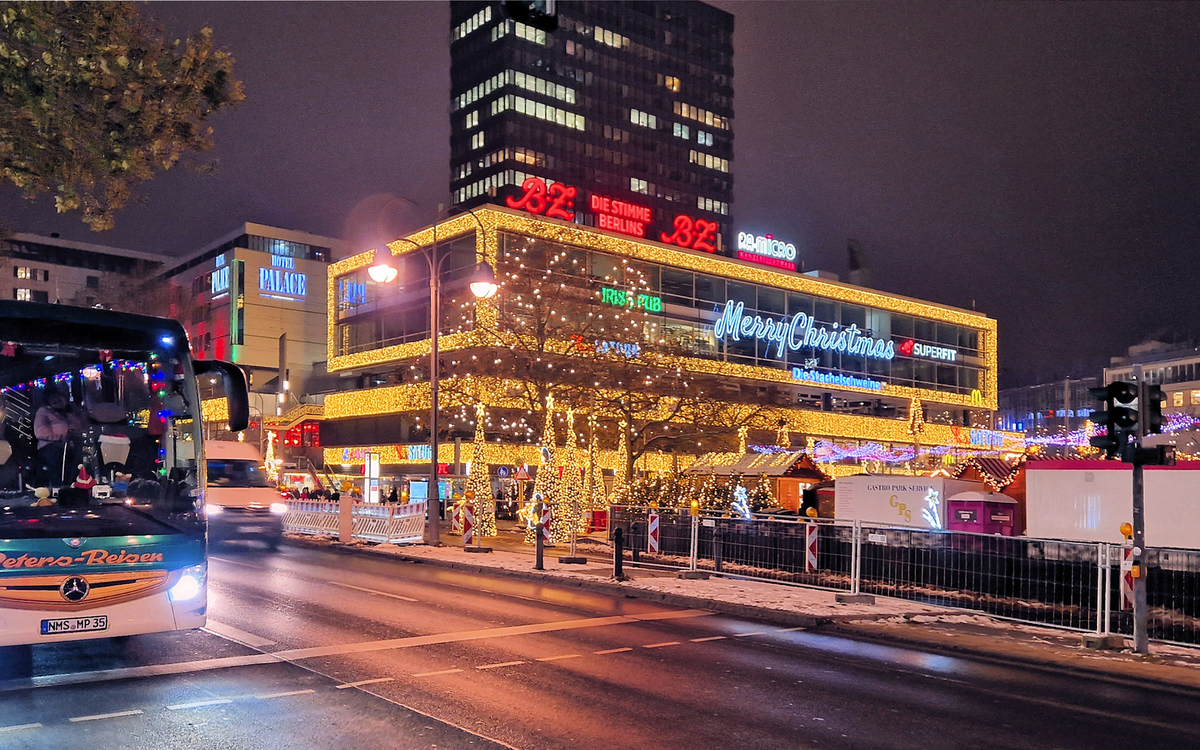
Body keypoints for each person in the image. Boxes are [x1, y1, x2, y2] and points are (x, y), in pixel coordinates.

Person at [34, 386, 86, 484]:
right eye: (53, 398)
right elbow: (40, 432)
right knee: (57, 459)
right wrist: (60, 437)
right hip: (51, 446)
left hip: (73, 444)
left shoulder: (70, 411)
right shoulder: (44, 412)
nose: (57, 400)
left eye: (59, 397)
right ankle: (60, 484)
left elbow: (81, 425)